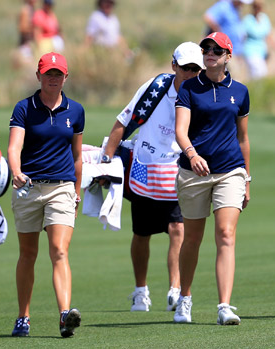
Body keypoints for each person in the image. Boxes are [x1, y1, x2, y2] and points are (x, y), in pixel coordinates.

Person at [100, 42, 204, 312]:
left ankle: (175, 288)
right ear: (174, 66)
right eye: (185, 68)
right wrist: (105, 163)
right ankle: (140, 290)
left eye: (195, 69)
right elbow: (123, 122)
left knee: (178, 229)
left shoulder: (204, 95)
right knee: (142, 233)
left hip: (179, 171)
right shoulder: (156, 88)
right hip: (145, 169)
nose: (190, 74)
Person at [173, 32, 251, 326]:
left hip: (230, 170)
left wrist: (247, 178)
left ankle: (224, 306)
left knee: (226, 235)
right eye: (206, 48)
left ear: (228, 56)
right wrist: (192, 155)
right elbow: (181, 130)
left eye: (217, 50)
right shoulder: (190, 88)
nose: (210, 53)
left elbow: (243, 138)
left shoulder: (240, 91)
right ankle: (185, 298)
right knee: (192, 238)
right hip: (193, 171)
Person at [8, 52, 84, 338]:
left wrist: (77, 193)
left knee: (59, 250)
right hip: (27, 187)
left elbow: (77, 155)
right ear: (38, 76)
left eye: (58, 74)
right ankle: (23, 317)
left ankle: (65, 316)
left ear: (66, 77)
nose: (53, 78)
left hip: (62, 188)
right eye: (48, 73)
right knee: (28, 253)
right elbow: (14, 147)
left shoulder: (75, 111)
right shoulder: (24, 108)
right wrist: (15, 170)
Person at [241, 0, 275, 80]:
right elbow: (242, 38)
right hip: (251, 52)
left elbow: (269, 37)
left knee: (257, 77)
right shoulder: (248, 20)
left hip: (262, 53)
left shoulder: (264, 18)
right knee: (259, 74)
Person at [204, 0, 248, 80]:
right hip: (225, 51)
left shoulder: (237, 10)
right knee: (234, 78)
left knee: (235, 79)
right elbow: (208, 17)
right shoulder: (223, 6)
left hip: (236, 51)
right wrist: (220, 35)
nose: (242, 4)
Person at [17, 0, 36, 64]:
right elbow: (23, 28)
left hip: (30, 41)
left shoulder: (31, 9)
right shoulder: (25, 10)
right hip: (26, 42)